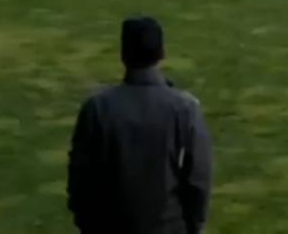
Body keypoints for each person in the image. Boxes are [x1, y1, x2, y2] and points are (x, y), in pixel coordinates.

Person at [68, 16, 212, 234]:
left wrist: (88, 224)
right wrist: (193, 225)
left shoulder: (97, 109)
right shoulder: (184, 109)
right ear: (162, 52)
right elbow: (198, 180)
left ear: (123, 55)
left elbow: (80, 181)